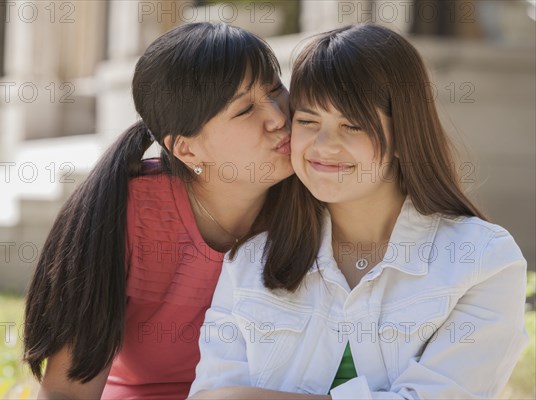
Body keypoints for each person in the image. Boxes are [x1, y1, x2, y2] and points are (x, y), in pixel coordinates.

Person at [188, 24, 528, 400]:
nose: (324, 145)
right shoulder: (252, 259)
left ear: (403, 137)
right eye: (307, 120)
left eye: (353, 124)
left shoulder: (482, 260)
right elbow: (210, 394)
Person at [22, 22, 294, 399]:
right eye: (245, 109)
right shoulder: (125, 212)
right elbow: (66, 391)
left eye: (276, 88)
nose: (279, 116)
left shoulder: (311, 200)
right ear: (186, 149)